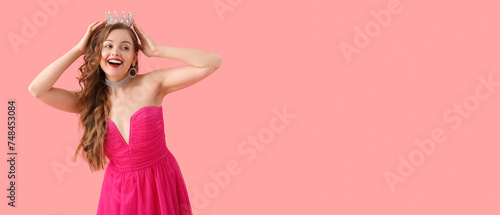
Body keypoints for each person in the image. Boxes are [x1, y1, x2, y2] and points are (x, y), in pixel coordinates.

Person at [28, 12, 222, 214]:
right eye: (108, 46)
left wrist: (157, 50)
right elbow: (37, 89)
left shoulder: (153, 83)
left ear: (134, 57)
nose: (116, 52)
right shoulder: (89, 100)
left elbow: (212, 62)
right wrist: (78, 50)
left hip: (160, 181)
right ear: (97, 53)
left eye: (125, 47)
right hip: (118, 193)